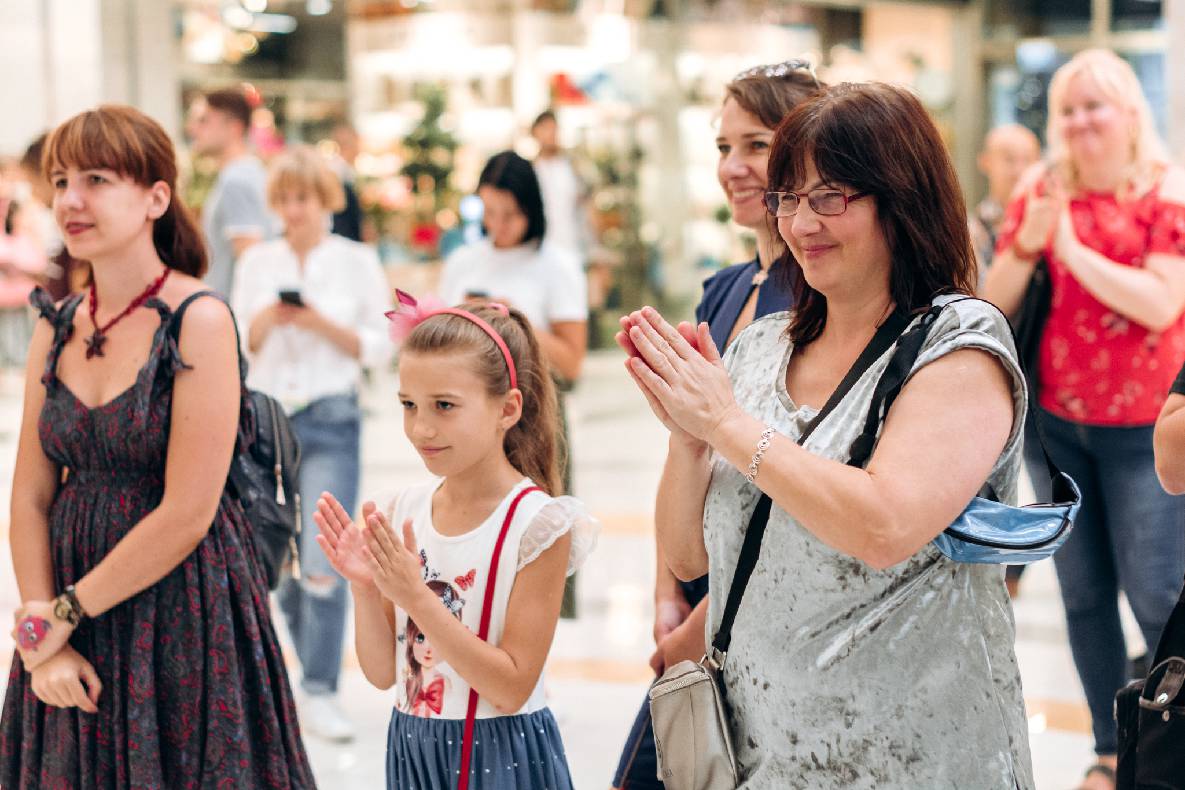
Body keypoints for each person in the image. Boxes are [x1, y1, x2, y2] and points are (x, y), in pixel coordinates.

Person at [618, 82, 1033, 787]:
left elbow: (883, 525)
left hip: (918, 759)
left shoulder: (958, 344)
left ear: (900, 200)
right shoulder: (759, 349)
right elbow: (692, 557)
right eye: (788, 198)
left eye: (830, 196)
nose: (802, 222)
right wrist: (688, 440)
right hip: (763, 757)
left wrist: (724, 423)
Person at [0, 104, 314, 787]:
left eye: (96, 179)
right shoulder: (55, 327)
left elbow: (187, 512)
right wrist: (39, 639)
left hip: (180, 611)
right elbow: (28, 495)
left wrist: (60, 614)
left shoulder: (197, 318)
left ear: (155, 197)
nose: (70, 200)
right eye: (59, 181)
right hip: (65, 609)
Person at [611, 59, 821, 790]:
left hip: (765, 606)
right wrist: (667, 585)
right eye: (723, 147)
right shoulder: (725, 288)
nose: (733, 167)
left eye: (755, 146)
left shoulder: (820, 299)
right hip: (701, 591)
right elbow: (688, 451)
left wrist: (697, 629)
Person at [981, 49, 1185, 788]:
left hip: (1145, 432)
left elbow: (1162, 302)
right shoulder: (1041, 187)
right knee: (1083, 594)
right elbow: (992, 296)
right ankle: (1109, 746)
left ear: (1131, 114)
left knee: (1157, 593)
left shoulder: (1167, 192)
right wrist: (1034, 240)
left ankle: (1172, 743)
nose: (1078, 122)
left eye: (1094, 105)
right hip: (1058, 424)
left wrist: (1066, 244)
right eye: (1066, 109)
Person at [313, 297, 598, 789]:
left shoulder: (537, 524)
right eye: (408, 405)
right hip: (412, 750)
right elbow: (384, 675)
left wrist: (415, 597)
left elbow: (510, 688)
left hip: (502, 754)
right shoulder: (403, 509)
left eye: (444, 406)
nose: (421, 428)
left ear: (507, 409)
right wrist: (364, 588)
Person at [231, 145, 393, 742]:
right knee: (274, 558)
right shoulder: (257, 263)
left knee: (323, 557)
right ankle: (306, 671)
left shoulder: (356, 261)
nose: (294, 211)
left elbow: (380, 345)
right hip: (265, 421)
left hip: (331, 417)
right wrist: (269, 320)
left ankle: (321, 689)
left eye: (304, 198)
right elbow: (236, 340)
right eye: (284, 200)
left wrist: (320, 321)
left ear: (325, 201)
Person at [439, 151, 588, 616]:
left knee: (536, 535)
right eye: (489, 213)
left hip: (535, 414)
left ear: (531, 209)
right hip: (468, 412)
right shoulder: (464, 262)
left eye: (509, 214)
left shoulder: (555, 265)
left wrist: (512, 319)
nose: (498, 225)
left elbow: (572, 360)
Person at [189, 87, 273, 297]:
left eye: (204, 121)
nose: (192, 129)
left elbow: (250, 258)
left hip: (231, 312)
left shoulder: (237, 179)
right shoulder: (248, 172)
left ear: (234, 127)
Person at [971, 124, 1041, 276]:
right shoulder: (973, 232)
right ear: (985, 162)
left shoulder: (1051, 222)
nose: (1019, 171)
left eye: (1028, 160)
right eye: (1009, 159)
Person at [530, 110, 589, 261]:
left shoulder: (573, 167)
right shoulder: (531, 170)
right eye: (546, 129)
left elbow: (586, 206)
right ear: (535, 132)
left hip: (572, 248)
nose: (551, 134)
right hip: (541, 250)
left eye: (554, 129)